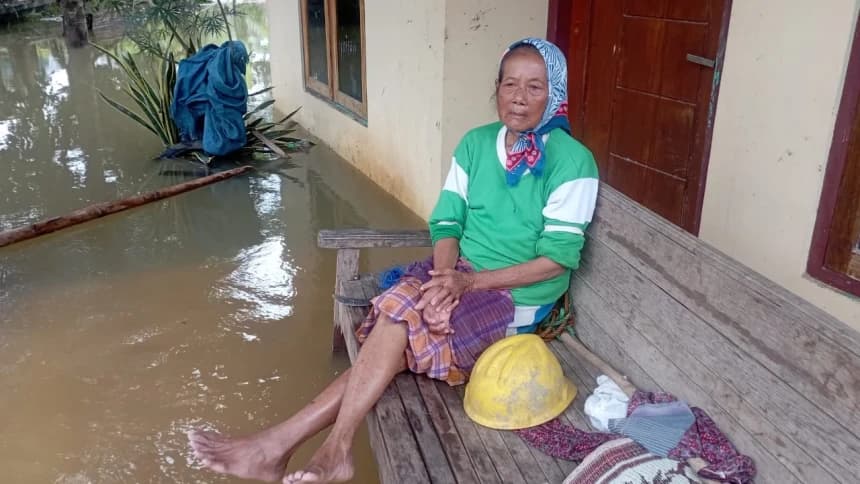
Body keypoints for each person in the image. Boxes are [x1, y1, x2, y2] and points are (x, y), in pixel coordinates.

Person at [187, 37, 599, 484]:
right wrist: (445, 277)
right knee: (396, 315)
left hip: (516, 296)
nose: (518, 97)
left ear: (554, 94)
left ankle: (306, 446)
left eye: (535, 87)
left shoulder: (573, 163)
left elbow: (557, 261)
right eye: (509, 83)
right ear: (496, 87)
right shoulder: (476, 144)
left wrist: (466, 286)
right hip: (456, 273)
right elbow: (447, 224)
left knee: (397, 323)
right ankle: (292, 448)